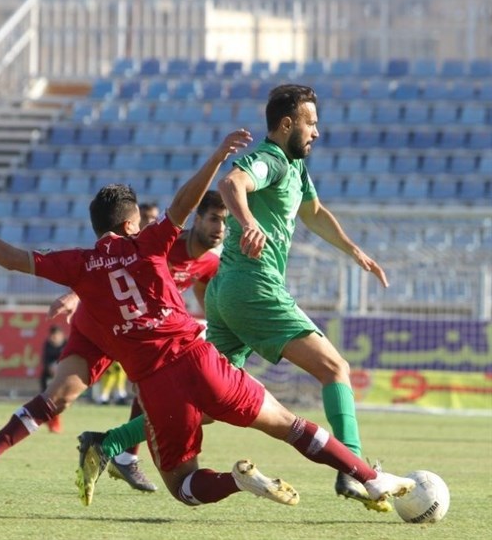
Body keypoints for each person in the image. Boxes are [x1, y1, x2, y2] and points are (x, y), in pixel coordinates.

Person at [0, 129, 415, 510]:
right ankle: (371, 478)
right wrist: (217, 156)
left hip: (156, 385)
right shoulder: (149, 243)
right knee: (290, 425)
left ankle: (235, 481)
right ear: (131, 223)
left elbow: (11, 257)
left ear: (98, 228)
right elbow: (183, 205)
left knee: (182, 486)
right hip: (200, 359)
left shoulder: (79, 264)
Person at [80, 84, 396, 511]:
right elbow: (232, 183)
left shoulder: (295, 167)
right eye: (311, 123)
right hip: (253, 288)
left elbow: (315, 213)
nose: (317, 132)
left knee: (209, 401)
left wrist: (355, 251)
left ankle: (108, 442)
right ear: (287, 124)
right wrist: (247, 223)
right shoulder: (270, 159)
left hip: (225, 292)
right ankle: (354, 470)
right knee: (334, 368)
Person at [48, 190, 225, 494]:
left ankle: (121, 452)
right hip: (119, 321)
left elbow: (204, 290)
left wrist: (213, 326)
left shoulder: (209, 262)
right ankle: (120, 451)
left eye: (224, 222)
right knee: (163, 388)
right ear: (196, 220)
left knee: (162, 388)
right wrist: (75, 295)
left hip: (152, 329)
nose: (220, 228)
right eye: (213, 219)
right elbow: (111, 267)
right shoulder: (166, 244)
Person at [40, 325, 66, 433]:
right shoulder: (47, 345)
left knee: (59, 402)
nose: (54, 339)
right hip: (48, 377)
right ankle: (51, 422)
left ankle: (54, 423)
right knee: (47, 401)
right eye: (52, 337)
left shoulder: (67, 344)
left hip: (63, 377)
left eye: (56, 336)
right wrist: (50, 368)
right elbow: (45, 361)